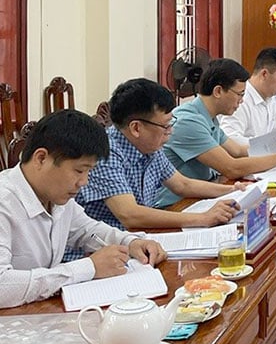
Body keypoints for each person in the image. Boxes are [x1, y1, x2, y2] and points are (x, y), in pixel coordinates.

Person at [0, 110, 167, 308]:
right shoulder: (5, 201)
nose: (84, 182)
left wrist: (131, 242)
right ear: (41, 158)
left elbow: (88, 230)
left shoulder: (56, 197)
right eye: (79, 170)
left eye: (89, 171)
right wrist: (87, 268)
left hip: (37, 313)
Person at [72, 79, 243, 241]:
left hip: (138, 238)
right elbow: (130, 215)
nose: (170, 132)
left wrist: (231, 190)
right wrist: (203, 218)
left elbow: (182, 185)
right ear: (136, 128)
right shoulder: (107, 154)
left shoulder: (150, 147)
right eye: (165, 126)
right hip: (102, 248)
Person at [163, 58, 276, 183]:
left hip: (204, 190)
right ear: (218, 91)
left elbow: (238, 150)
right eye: (240, 94)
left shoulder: (208, 117)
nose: (242, 101)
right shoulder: (189, 122)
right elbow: (232, 168)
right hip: (177, 204)